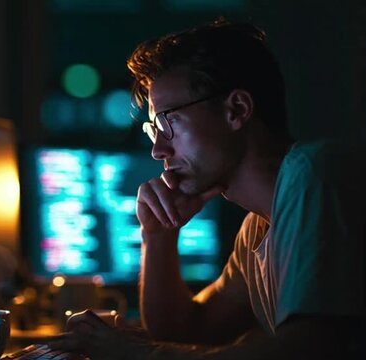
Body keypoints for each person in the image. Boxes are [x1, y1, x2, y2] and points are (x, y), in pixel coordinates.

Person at [49, 19, 365, 359]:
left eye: (168, 122)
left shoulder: (314, 174)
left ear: (237, 110)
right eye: (153, 129)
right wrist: (157, 236)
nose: (158, 150)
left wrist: (140, 355)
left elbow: (304, 350)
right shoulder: (257, 229)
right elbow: (185, 330)